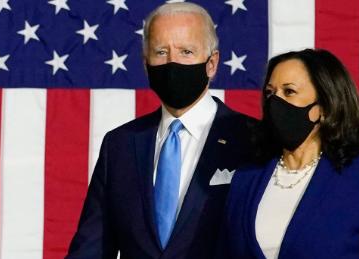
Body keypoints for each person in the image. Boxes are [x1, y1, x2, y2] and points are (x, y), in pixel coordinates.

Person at [66, 2, 256, 258]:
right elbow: (92, 248)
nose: (172, 62)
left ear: (212, 63)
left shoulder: (253, 139)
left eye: (186, 51)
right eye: (161, 52)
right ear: (146, 64)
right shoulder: (119, 145)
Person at [216, 49, 359, 259]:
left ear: (324, 106)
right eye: (270, 93)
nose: (275, 102)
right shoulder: (246, 178)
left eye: (289, 91)